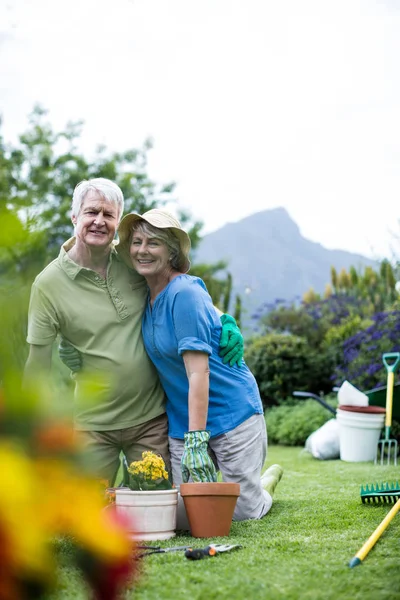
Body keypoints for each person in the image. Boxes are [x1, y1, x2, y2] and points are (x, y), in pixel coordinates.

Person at [23, 178, 244, 486]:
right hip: (92, 424)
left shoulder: (133, 260)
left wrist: (224, 319)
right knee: (85, 519)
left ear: (116, 223)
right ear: (75, 218)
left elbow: (183, 292)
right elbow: (38, 365)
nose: (99, 221)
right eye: (91, 212)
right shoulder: (48, 284)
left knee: (158, 513)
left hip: (150, 420)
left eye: (108, 214)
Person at [117, 208, 283, 521]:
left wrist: (197, 439)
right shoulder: (144, 293)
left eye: (153, 243)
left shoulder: (183, 292)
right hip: (183, 419)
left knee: (243, 514)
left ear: (171, 252)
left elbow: (198, 372)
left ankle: (266, 483)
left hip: (230, 414)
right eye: (136, 242)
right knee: (186, 517)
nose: (142, 250)